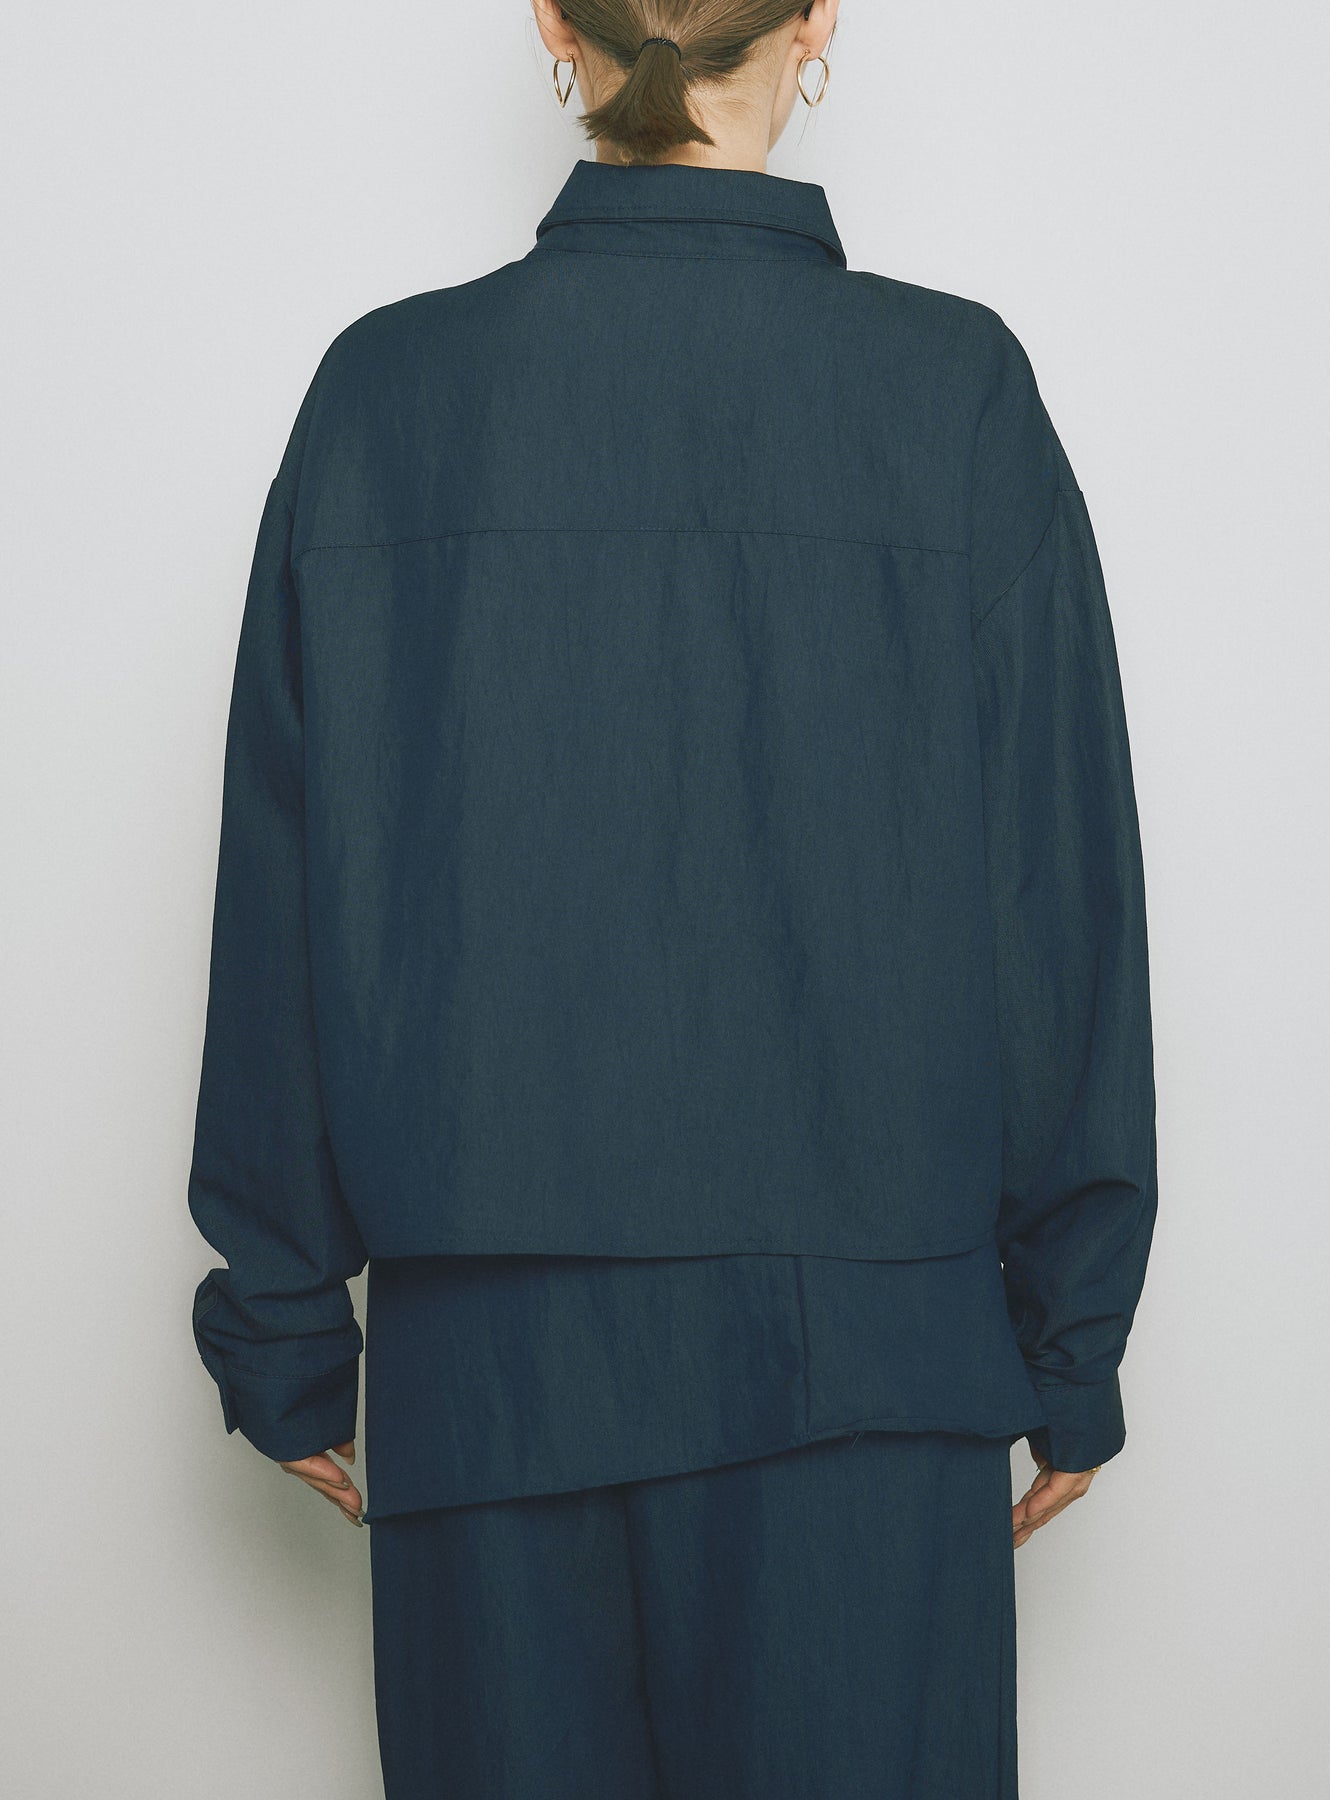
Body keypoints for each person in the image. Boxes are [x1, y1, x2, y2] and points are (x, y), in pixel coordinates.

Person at [186, 1, 1158, 1794]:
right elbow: (1058, 897)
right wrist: (1069, 1334)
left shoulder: (386, 396)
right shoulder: (951, 391)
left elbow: (287, 897)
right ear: (815, 20)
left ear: (553, 24)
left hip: (493, 1387)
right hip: (871, 1383)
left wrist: (282, 1320)